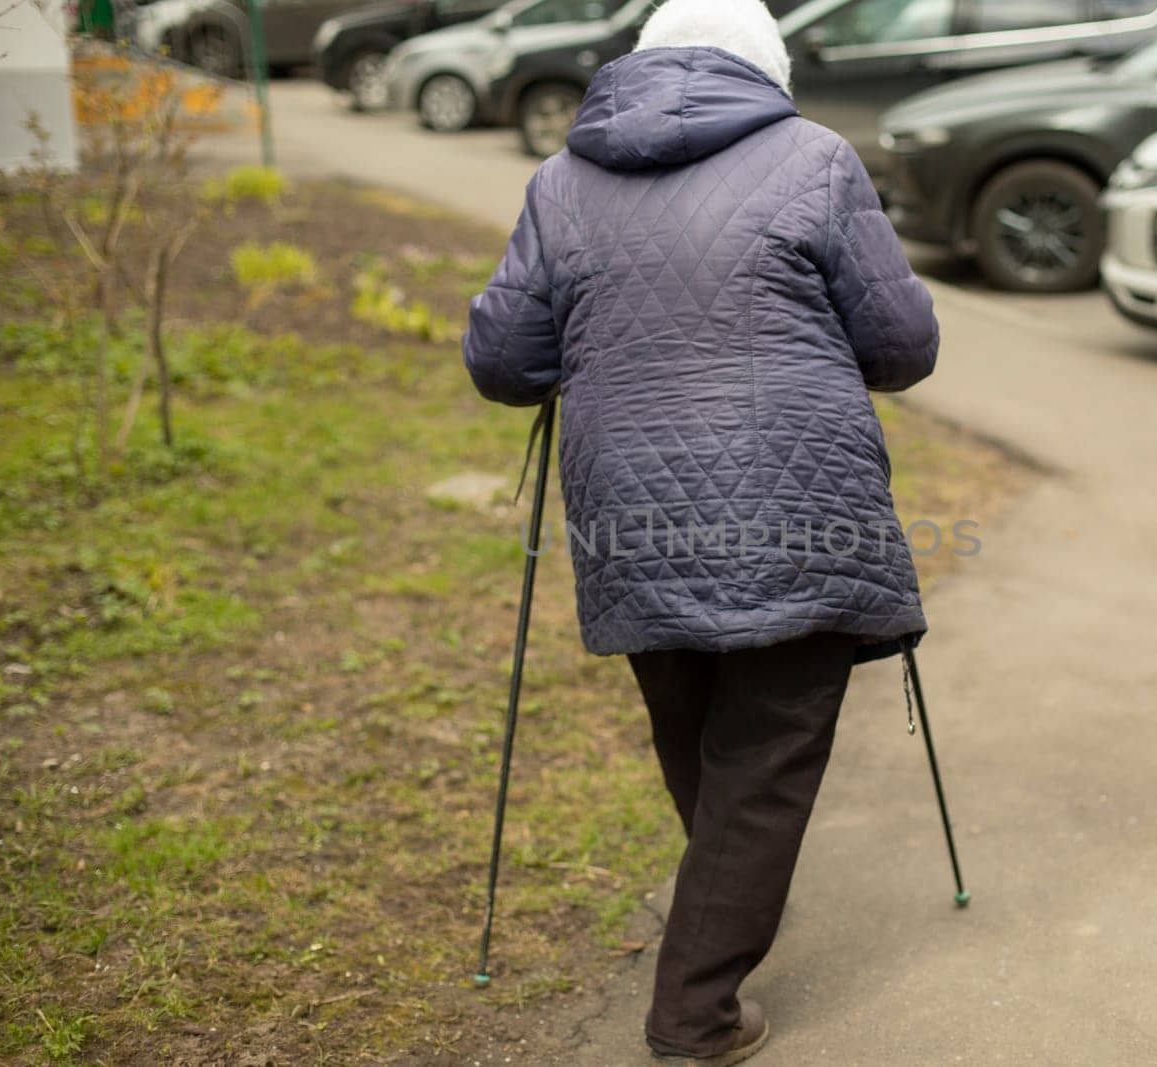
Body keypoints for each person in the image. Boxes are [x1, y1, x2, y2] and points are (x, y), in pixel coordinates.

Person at [462, 0, 939, 1060]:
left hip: (628, 507)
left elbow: (502, 361)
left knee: (699, 729)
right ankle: (696, 1010)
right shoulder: (813, 157)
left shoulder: (561, 180)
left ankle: (722, 906)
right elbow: (902, 342)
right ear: (765, 69)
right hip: (798, 503)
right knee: (765, 749)